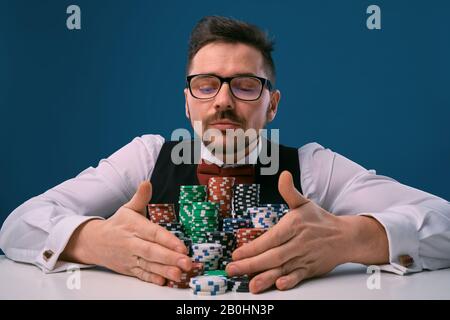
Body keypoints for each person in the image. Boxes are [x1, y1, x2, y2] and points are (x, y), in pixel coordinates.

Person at [1, 16, 449, 294]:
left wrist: (353, 239)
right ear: (187, 101)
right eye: (206, 84)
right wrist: (91, 240)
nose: (223, 101)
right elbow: (18, 224)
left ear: (272, 104)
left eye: (245, 84)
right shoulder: (146, 157)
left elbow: (443, 221)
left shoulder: (313, 168)